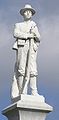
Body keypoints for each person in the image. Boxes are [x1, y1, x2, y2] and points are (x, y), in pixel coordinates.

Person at [11, 4, 40, 99]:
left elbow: (39, 38)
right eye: (26, 11)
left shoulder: (34, 25)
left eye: (29, 11)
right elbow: (16, 33)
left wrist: (34, 35)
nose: (28, 13)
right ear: (23, 14)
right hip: (22, 46)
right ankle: (21, 91)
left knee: (32, 69)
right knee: (21, 68)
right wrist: (28, 36)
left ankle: (34, 91)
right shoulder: (18, 25)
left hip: (32, 48)